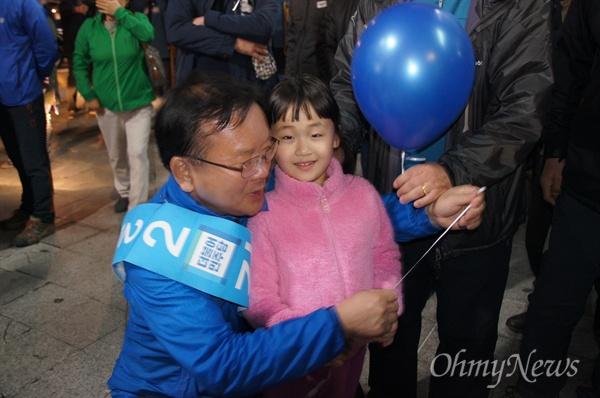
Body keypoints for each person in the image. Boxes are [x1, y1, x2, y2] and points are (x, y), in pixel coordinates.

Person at [107, 71, 400, 397]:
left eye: (267, 151)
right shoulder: (157, 256)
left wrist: (426, 213)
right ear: (184, 171)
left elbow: (343, 213)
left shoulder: (239, 186)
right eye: (246, 162)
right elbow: (221, 364)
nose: (264, 172)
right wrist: (336, 326)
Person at [331, 0, 554, 396]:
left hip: (476, 215)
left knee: (466, 355)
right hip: (394, 216)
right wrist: (333, 151)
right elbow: (349, 87)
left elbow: (525, 108)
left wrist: (453, 170)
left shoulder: (519, 6)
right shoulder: (375, 5)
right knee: (389, 343)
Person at [243, 75, 404, 398]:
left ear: (335, 137)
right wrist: (318, 339)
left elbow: (384, 257)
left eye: (315, 134)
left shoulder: (363, 195)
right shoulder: (264, 214)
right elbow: (258, 302)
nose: (303, 149)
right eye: (287, 137)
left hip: (353, 354)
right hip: (294, 361)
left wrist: (388, 307)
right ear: (271, 145)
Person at [502, 0, 600, 396]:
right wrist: (554, 151)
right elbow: (570, 69)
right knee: (554, 303)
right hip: (588, 177)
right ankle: (533, 389)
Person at [73, 0, 156, 213]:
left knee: (137, 153)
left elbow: (148, 35)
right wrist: (88, 94)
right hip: (106, 105)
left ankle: (137, 207)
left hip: (138, 103)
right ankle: (124, 190)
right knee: (116, 154)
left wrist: (120, 13)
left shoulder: (136, 20)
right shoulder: (89, 28)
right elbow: (79, 61)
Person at [0, 0, 59, 247]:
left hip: (23, 91)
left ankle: (43, 215)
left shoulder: (24, 3)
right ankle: (28, 206)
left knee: (33, 158)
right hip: (4, 97)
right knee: (16, 155)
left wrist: (34, 77)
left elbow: (47, 47)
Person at [164, 0, 279, 95]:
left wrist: (208, 20)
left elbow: (263, 26)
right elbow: (176, 30)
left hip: (248, 80)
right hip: (200, 83)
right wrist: (234, 44)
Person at [59, 0, 94, 116]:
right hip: (72, 43)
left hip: (89, 43)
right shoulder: (67, 4)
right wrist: (75, 10)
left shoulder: (88, 4)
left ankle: (91, 102)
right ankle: (72, 105)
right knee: (74, 73)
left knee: (91, 72)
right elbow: (64, 10)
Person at [316, 0, 359, 83]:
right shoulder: (338, 6)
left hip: (369, 83)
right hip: (343, 83)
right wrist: (338, 79)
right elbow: (325, 47)